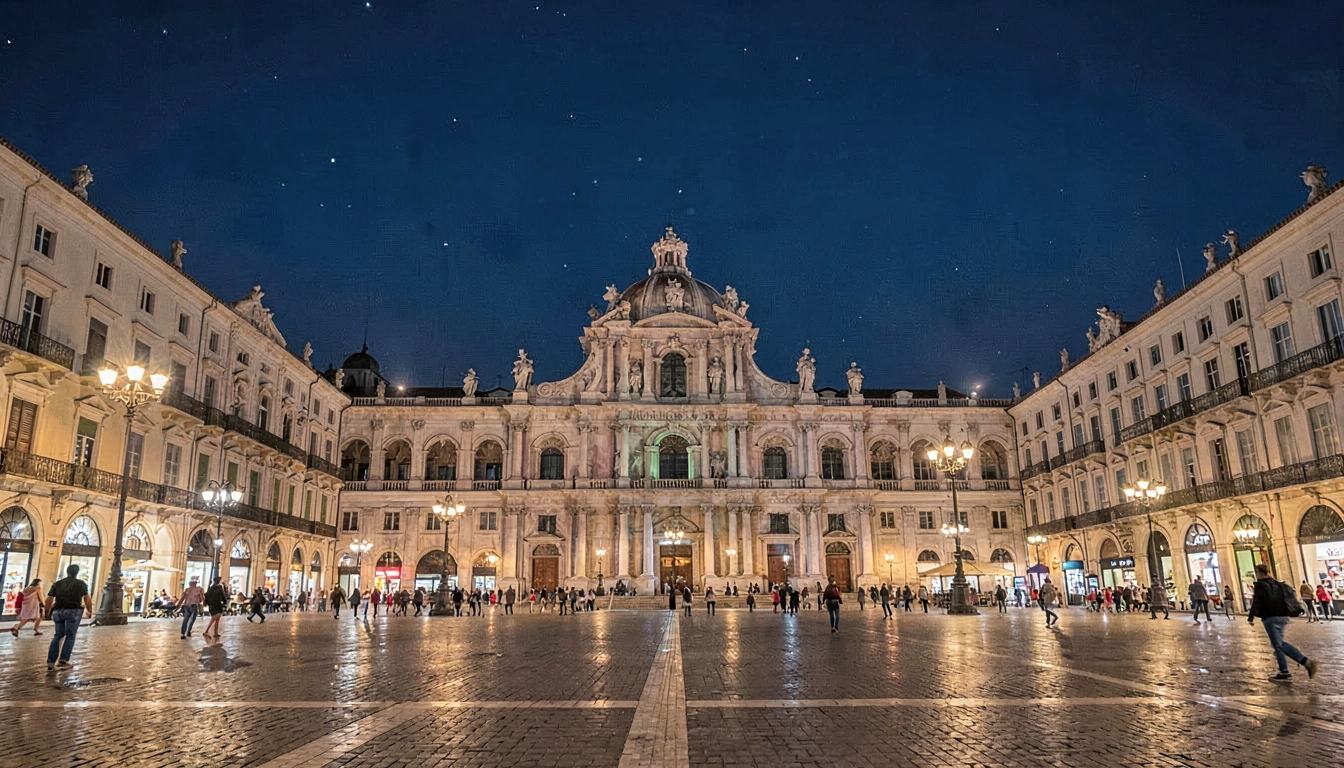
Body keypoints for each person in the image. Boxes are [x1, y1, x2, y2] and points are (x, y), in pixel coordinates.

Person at [1248, 563, 1318, 681]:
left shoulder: (1261, 585)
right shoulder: (1277, 583)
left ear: (1259, 573)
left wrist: (1251, 616)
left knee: (1279, 644)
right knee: (1277, 644)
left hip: (1271, 617)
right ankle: (1284, 671)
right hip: (1283, 616)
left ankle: (1305, 662)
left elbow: (1257, 601)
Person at [44, 564, 92, 671]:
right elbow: (87, 598)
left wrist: (47, 613)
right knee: (70, 635)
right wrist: (90, 610)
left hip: (58, 611)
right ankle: (63, 660)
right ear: (77, 572)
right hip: (73, 611)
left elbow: (49, 599)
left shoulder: (58, 584)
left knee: (58, 635)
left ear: (67, 571)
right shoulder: (81, 584)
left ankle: (51, 661)